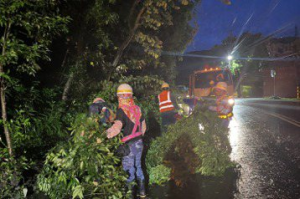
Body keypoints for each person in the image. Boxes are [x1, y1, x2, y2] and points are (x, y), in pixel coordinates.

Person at [106, 84, 147, 198]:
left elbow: (117, 127)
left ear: (121, 96)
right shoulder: (138, 108)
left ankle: (130, 195)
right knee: (138, 166)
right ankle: (142, 192)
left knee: (129, 170)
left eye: (119, 96)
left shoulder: (121, 110)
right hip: (140, 143)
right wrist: (138, 137)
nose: (119, 98)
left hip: (129, 146)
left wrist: (106, 135)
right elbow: (144, 127)